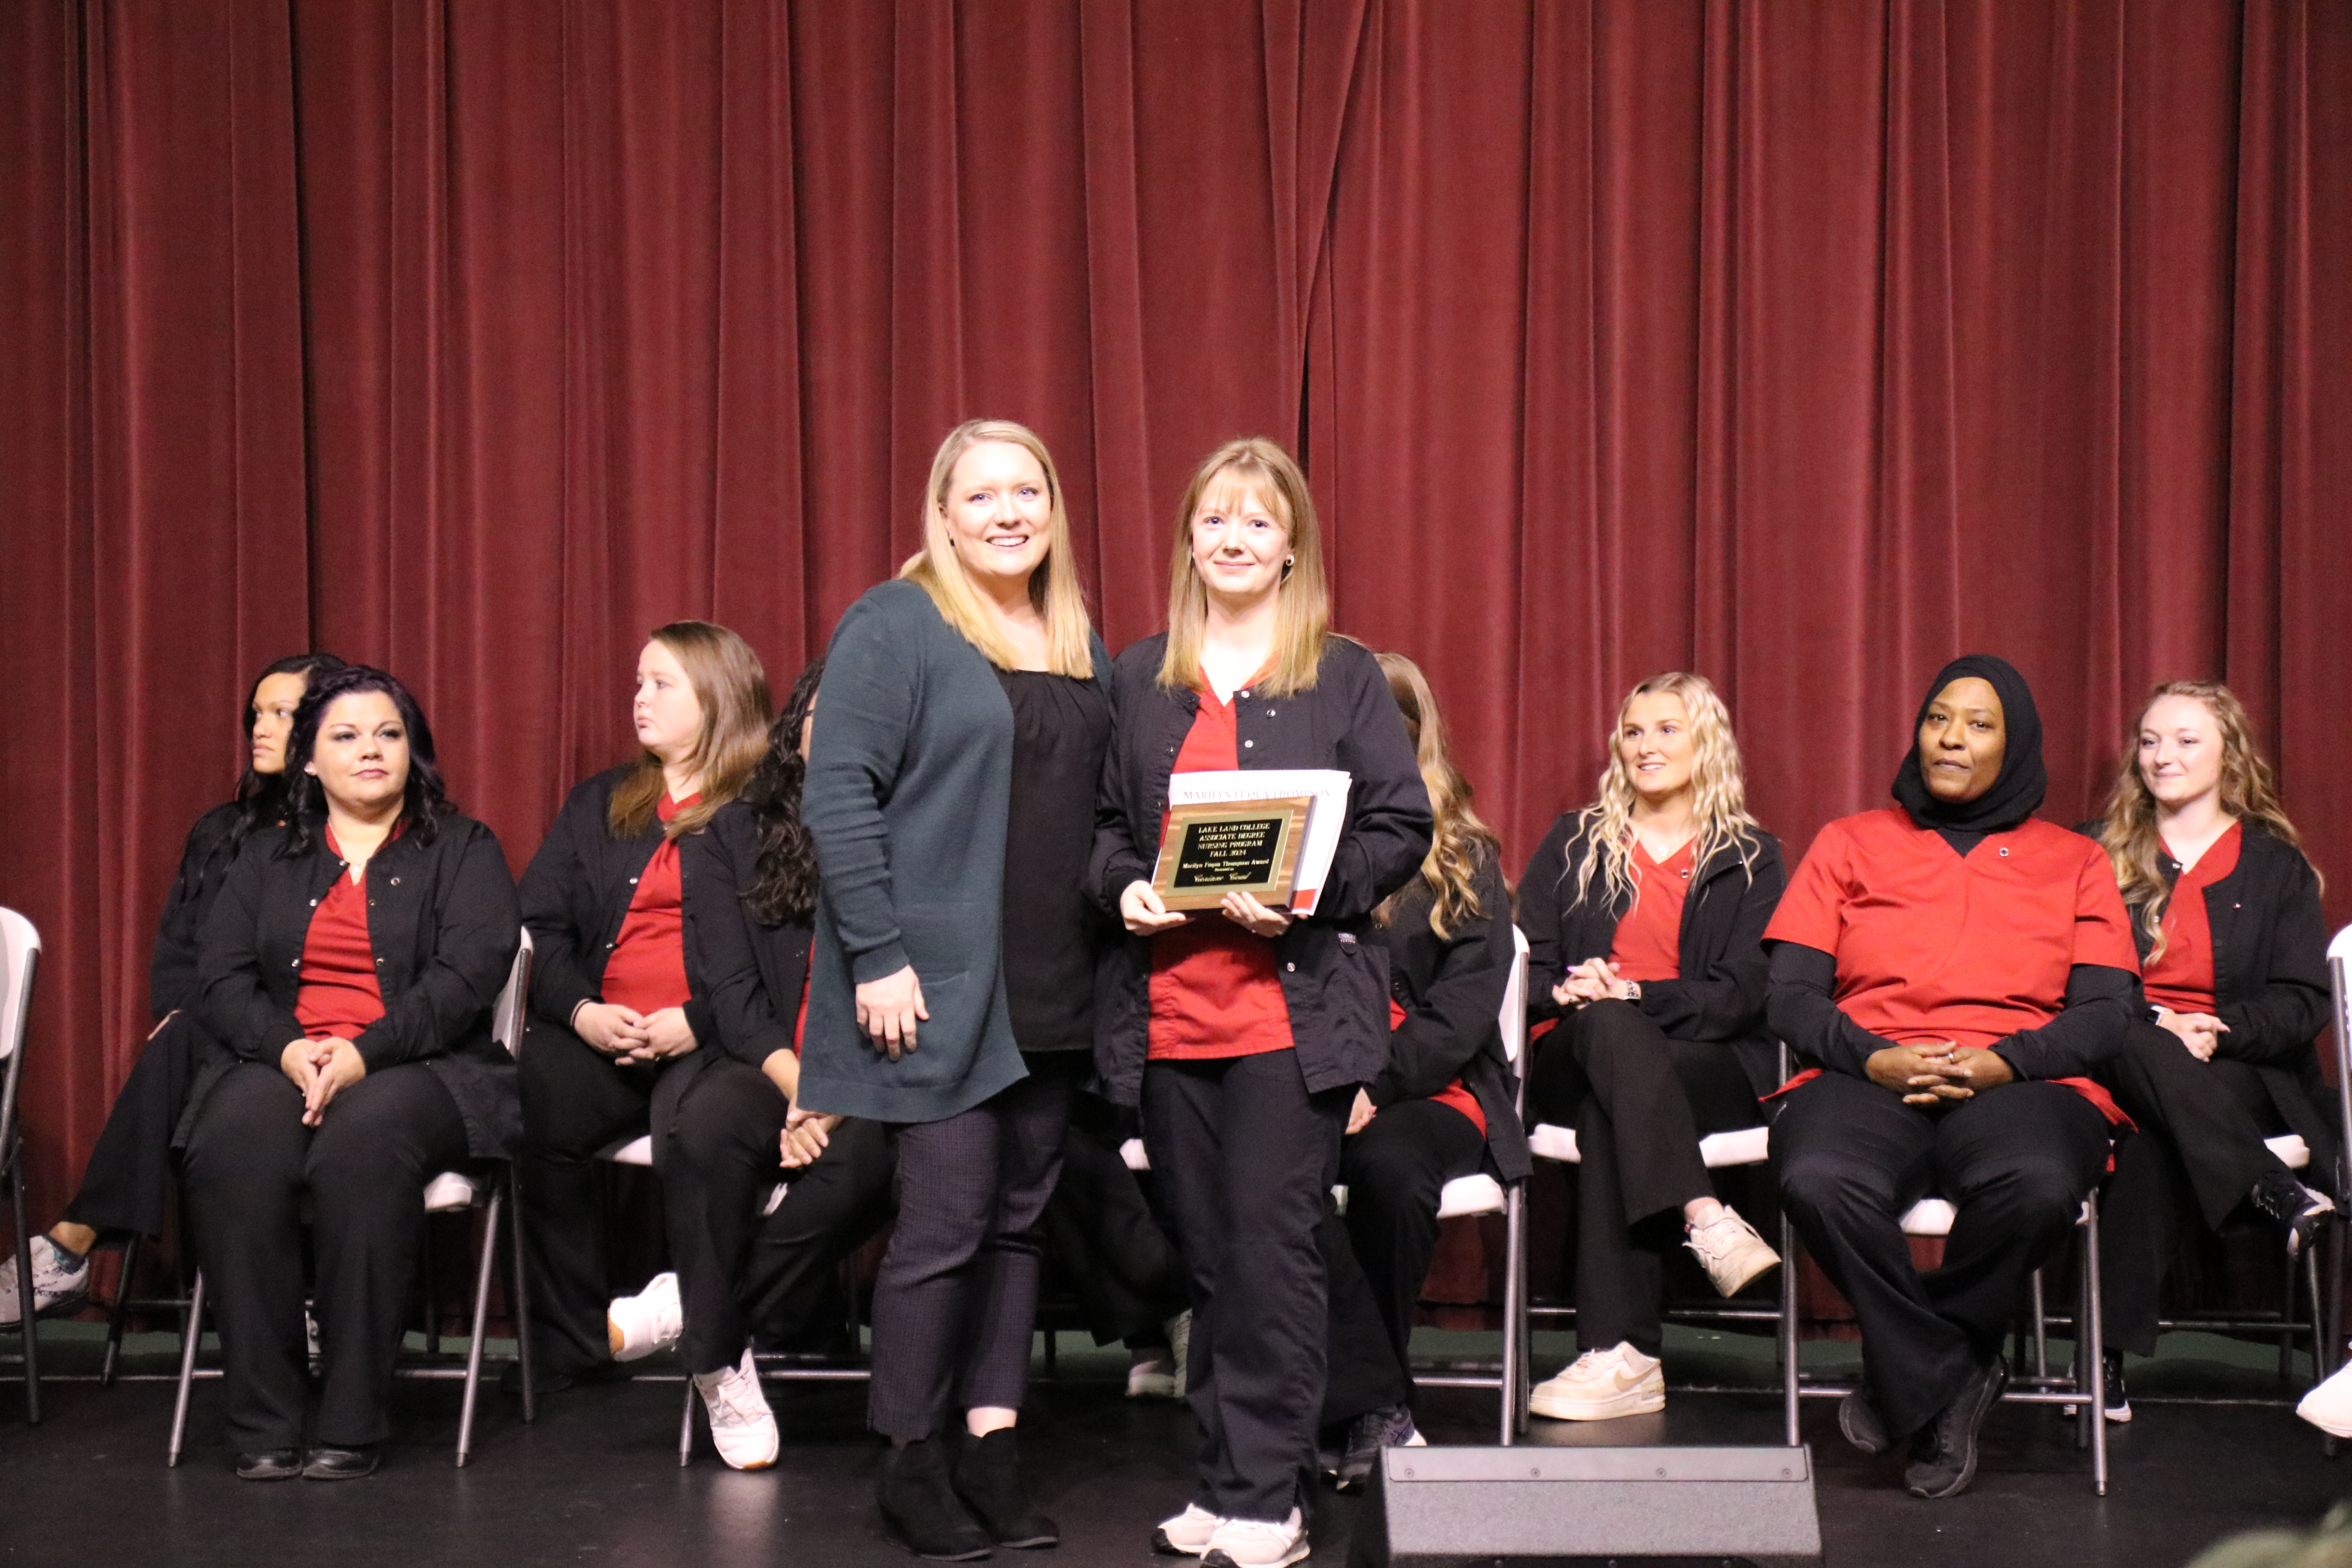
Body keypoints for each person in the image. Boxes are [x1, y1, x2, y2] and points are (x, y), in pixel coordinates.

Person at [1093, 437, 1432, 1568]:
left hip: (1291, 1021)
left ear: (1293, 548)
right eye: (1215, 521)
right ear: (1189, 539)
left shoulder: (1339, 676)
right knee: (1206, 1258)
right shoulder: (1138, 677)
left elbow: (1401, 829)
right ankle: (1224, 1480)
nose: (1233, 540)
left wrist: (1304, 894)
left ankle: (1269, 1497)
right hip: (1169, 1017)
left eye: (1258, 523)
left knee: (1273, 1251)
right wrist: (1126, 887)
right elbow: (1097, 835)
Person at [799, 419, 1111, 1560]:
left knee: (1021, 1229)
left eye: (1028, 489)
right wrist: (877, 953)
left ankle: (991, 1447)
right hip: (937, 982)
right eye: (981, 494)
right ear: (941, 513)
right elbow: (838, 793)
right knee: (943, 1225)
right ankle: (911, 1460)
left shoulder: (1075, 633)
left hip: (1057, 977)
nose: (1008, 512)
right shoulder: (897, 622)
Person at [1765, 654, 2140, 1500]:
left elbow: (2107, 1012)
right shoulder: (1850, 841)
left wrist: (2006, 1059)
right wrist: (1872, 1055)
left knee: (2041, 1180)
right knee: (1816, 1175)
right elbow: (1787, 996)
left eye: (1979, 723)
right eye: (1940, 717)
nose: (1952, 738)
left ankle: (1918, 1366)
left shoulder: (2076, 860)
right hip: (1871, 1068)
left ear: (2016, 745)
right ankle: (1950, 1368)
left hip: (2019, 1078)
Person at [181, 665, 519, 1480]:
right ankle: (264, 1419)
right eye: (346, 735)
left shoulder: (464, 848)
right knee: (233, 1142)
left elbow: (468, 975)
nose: (371, 749)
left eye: (388, 733)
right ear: (307, 761)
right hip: (285, 1055)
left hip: (422, 1064)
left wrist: (364, 1051)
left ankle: (352, 1415)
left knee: (360, 1146)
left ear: (415, 751)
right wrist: (292, 1048)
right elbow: (220, 976)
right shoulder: (264, 855)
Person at [601, 659, 898, 1441]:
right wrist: (801, 1084)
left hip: (880, 1070)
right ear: (793, 729)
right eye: (824, 717)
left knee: (868, 1162)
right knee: (708, 1125)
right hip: (770, 1059)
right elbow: (729, 992)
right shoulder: (731, 833)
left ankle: (706, 1327)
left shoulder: (916, 834)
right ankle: (720, 1344)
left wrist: (834, 1096)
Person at [2, 654, 344, 1325]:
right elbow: (182, 950)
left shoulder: (352, 833)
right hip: (224, 1036)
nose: (261, 728)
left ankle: (72, 1247)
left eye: (282, 714)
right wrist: (187, 1009)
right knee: (187, 1030)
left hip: (324, 1039)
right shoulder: (223, 831)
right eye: (257, 714)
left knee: (191, 1037)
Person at [514, 622, 776, 1455]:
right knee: (526, 1100)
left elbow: (789, 954)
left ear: (718, 696)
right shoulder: (602, 801)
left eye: (662, 683)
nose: (640, 698)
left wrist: (694, 1020)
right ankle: (578, 1343)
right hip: (605, 1027)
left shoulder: (769, 804)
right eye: (637, 682)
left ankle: (708, 1335)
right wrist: (585, 1011)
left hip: (713, 1035)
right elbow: (541, 927)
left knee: (702, 1130)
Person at [1518, 672, 1787, 1422]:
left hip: (1707, 1064)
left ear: (1706, 743)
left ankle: (1622, 1355)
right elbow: (1527, 972)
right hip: (1575, 1051)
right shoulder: (1574, 843)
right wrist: (1569, 992)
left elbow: (1744, 992)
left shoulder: (1752, 857)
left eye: (1668, 730)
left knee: (1618, 1082)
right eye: (1634, 732)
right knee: (1605, 1033)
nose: (1646, 746)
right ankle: (1706, 1214)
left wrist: (1635, 996)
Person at [2087, 681, 2334, 1421]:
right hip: (2123, 1052)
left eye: (2187, 741)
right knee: (2121, 1029)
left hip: (2237, 1070)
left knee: (2149, 1147)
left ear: (2229, 754)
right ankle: (2274, 1191)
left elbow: (2302, 1000)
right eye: (2152, 740)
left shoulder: (2274, 867)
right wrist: (2161, 1019)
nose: (2164, 757)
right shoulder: (2094, 855)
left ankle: (2102, 1362)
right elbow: (2069, 980)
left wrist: (2219, 1029)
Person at [1316, 651, 1530, 1490]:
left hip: (1431, 1087)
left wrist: (1374, 1083)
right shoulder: (1295, 840)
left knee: (1390, 1168)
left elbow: (1463, 1014)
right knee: (1264, 1167)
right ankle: (1365, 1398)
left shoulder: (1464, 856)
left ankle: (1369, 1401)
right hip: (1314, 1075)